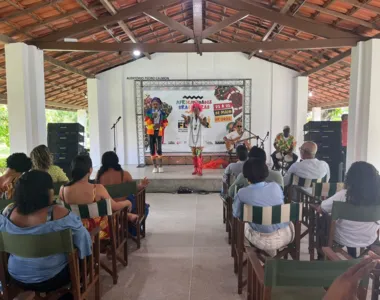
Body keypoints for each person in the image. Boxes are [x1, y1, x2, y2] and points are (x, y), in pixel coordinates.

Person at [0, 170, 91, 299]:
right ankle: (73, 291)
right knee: (81, 252)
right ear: (47, 192)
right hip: (53, 278)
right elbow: (83, 239)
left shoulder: (7, 212)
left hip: (16, 276)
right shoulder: (59, 213)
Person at [59, 155, 136, 240]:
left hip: (74, 232)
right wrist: (128, 202)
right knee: (110, 216)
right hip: (98, 232)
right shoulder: (97, 189)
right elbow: (115, 207)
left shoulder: (62, 190)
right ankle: (128, 217)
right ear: (90, 170)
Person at [233, 159, 294, 256]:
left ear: (245, 174)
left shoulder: (242, 192)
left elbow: (236, 214)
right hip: (286, 235)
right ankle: (272, 257)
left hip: (262, 240)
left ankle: (255, 259)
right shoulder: (276, 186)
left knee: (243, 225)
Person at [318, 161, 380, 258]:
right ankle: (353, 256)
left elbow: (321, 209)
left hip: (343, 238)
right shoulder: (377, 197)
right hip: (369, 239)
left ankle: (322, 256)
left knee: (322, 220)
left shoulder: (344, 195)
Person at [182, 102, 210, 176]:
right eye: (194, 109)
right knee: (194, 155)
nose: (195, 111)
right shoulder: (190, 116)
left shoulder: (203, 116)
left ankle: (200, 170)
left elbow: (205, 124)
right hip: (192, 138)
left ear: (199, 109)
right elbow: (186, 123)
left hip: (200, 138)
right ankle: (195, 169)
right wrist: (185, 119)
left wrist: (199, 117)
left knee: (199, 154)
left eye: (197, 109)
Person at [145, 97, 168, 174]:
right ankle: (155, 167)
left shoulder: (162, 113)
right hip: (151, 132)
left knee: (159, 148)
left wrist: (163, 125)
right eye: (153, 104)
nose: (155, 105)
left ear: (159, 105)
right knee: (152, 149)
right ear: (151, 104)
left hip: (159, 132)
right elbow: (146, 122)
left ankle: (160, 166)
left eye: (156, 104)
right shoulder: (148, 112)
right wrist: (151, 118)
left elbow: (166, 121)